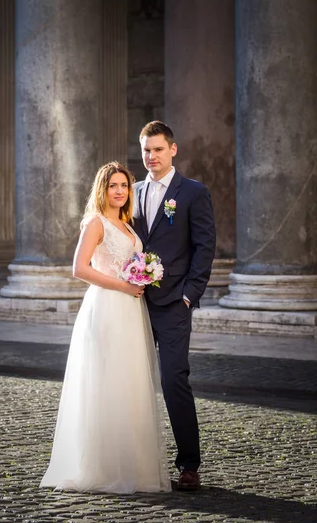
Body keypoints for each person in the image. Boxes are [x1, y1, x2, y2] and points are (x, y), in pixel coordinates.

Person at [40, 161, 171, 494]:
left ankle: (134, 466)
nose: (119, 191)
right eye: (113, 185)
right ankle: (102, 467)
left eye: (124, 186)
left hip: (131, 309)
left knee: (130, 382)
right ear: (103, 189)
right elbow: (79, 268)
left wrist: (143, 276)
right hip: (108, 306)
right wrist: (123, 285)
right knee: (107, 379)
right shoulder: (96, 223)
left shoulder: (128, 225)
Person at [133, 121, 216, 491]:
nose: (151, 157)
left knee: (172, 379)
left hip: (173, 304)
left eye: (158, 150)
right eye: (146, 150)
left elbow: (205, 246)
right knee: (130, 382)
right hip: (132, 302)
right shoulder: (130, 192)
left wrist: (189, 294)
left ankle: (188, 464)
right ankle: (131, 461)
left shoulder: (193, 193)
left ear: (173, 150)